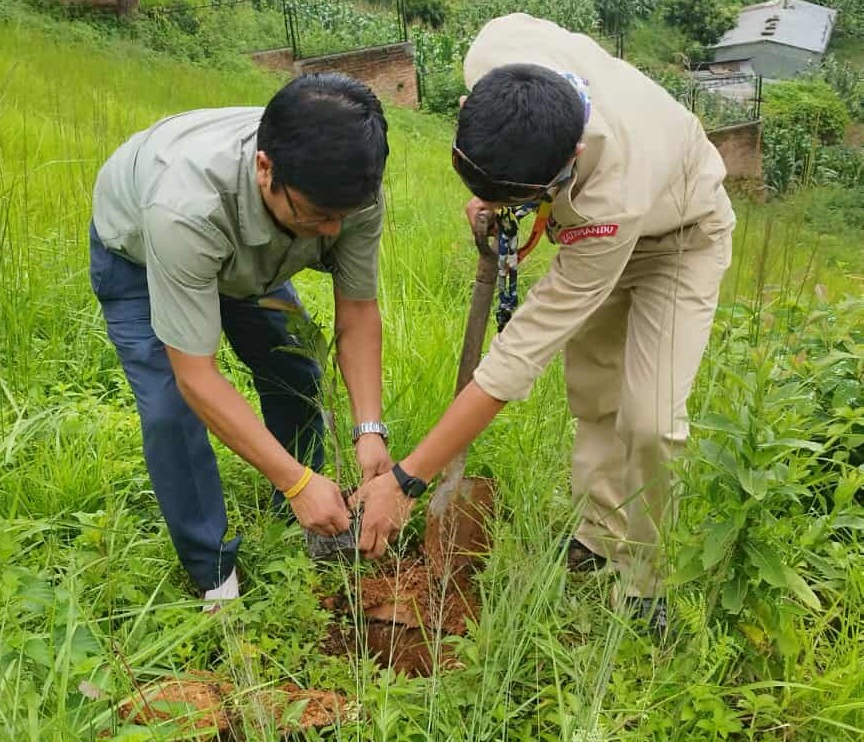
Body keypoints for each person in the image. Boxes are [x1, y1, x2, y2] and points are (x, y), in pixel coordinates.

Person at [351, 13, 735, 629]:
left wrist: (406, 480)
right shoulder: (496, 49)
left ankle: (644, 580)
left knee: (650, 420)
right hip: (593, 225)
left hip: (676, 238)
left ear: (572, 157)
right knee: (595, 395)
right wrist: (495, 196)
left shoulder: (614, 193)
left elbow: (516, 358)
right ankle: (598, 533)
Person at [89, 73, 392, 606]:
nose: (330, 234)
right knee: (170, 411)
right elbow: (197, 377)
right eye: (318, 217)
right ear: (264, 169)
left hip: (252, 257)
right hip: (141, 252)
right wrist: (299, 481)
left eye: (341, 219)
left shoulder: (345, 189)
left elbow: (359, 312)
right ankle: (214, 574)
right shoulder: (185, 208)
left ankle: (300, 514)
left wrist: (370, 429)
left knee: (295, 368)